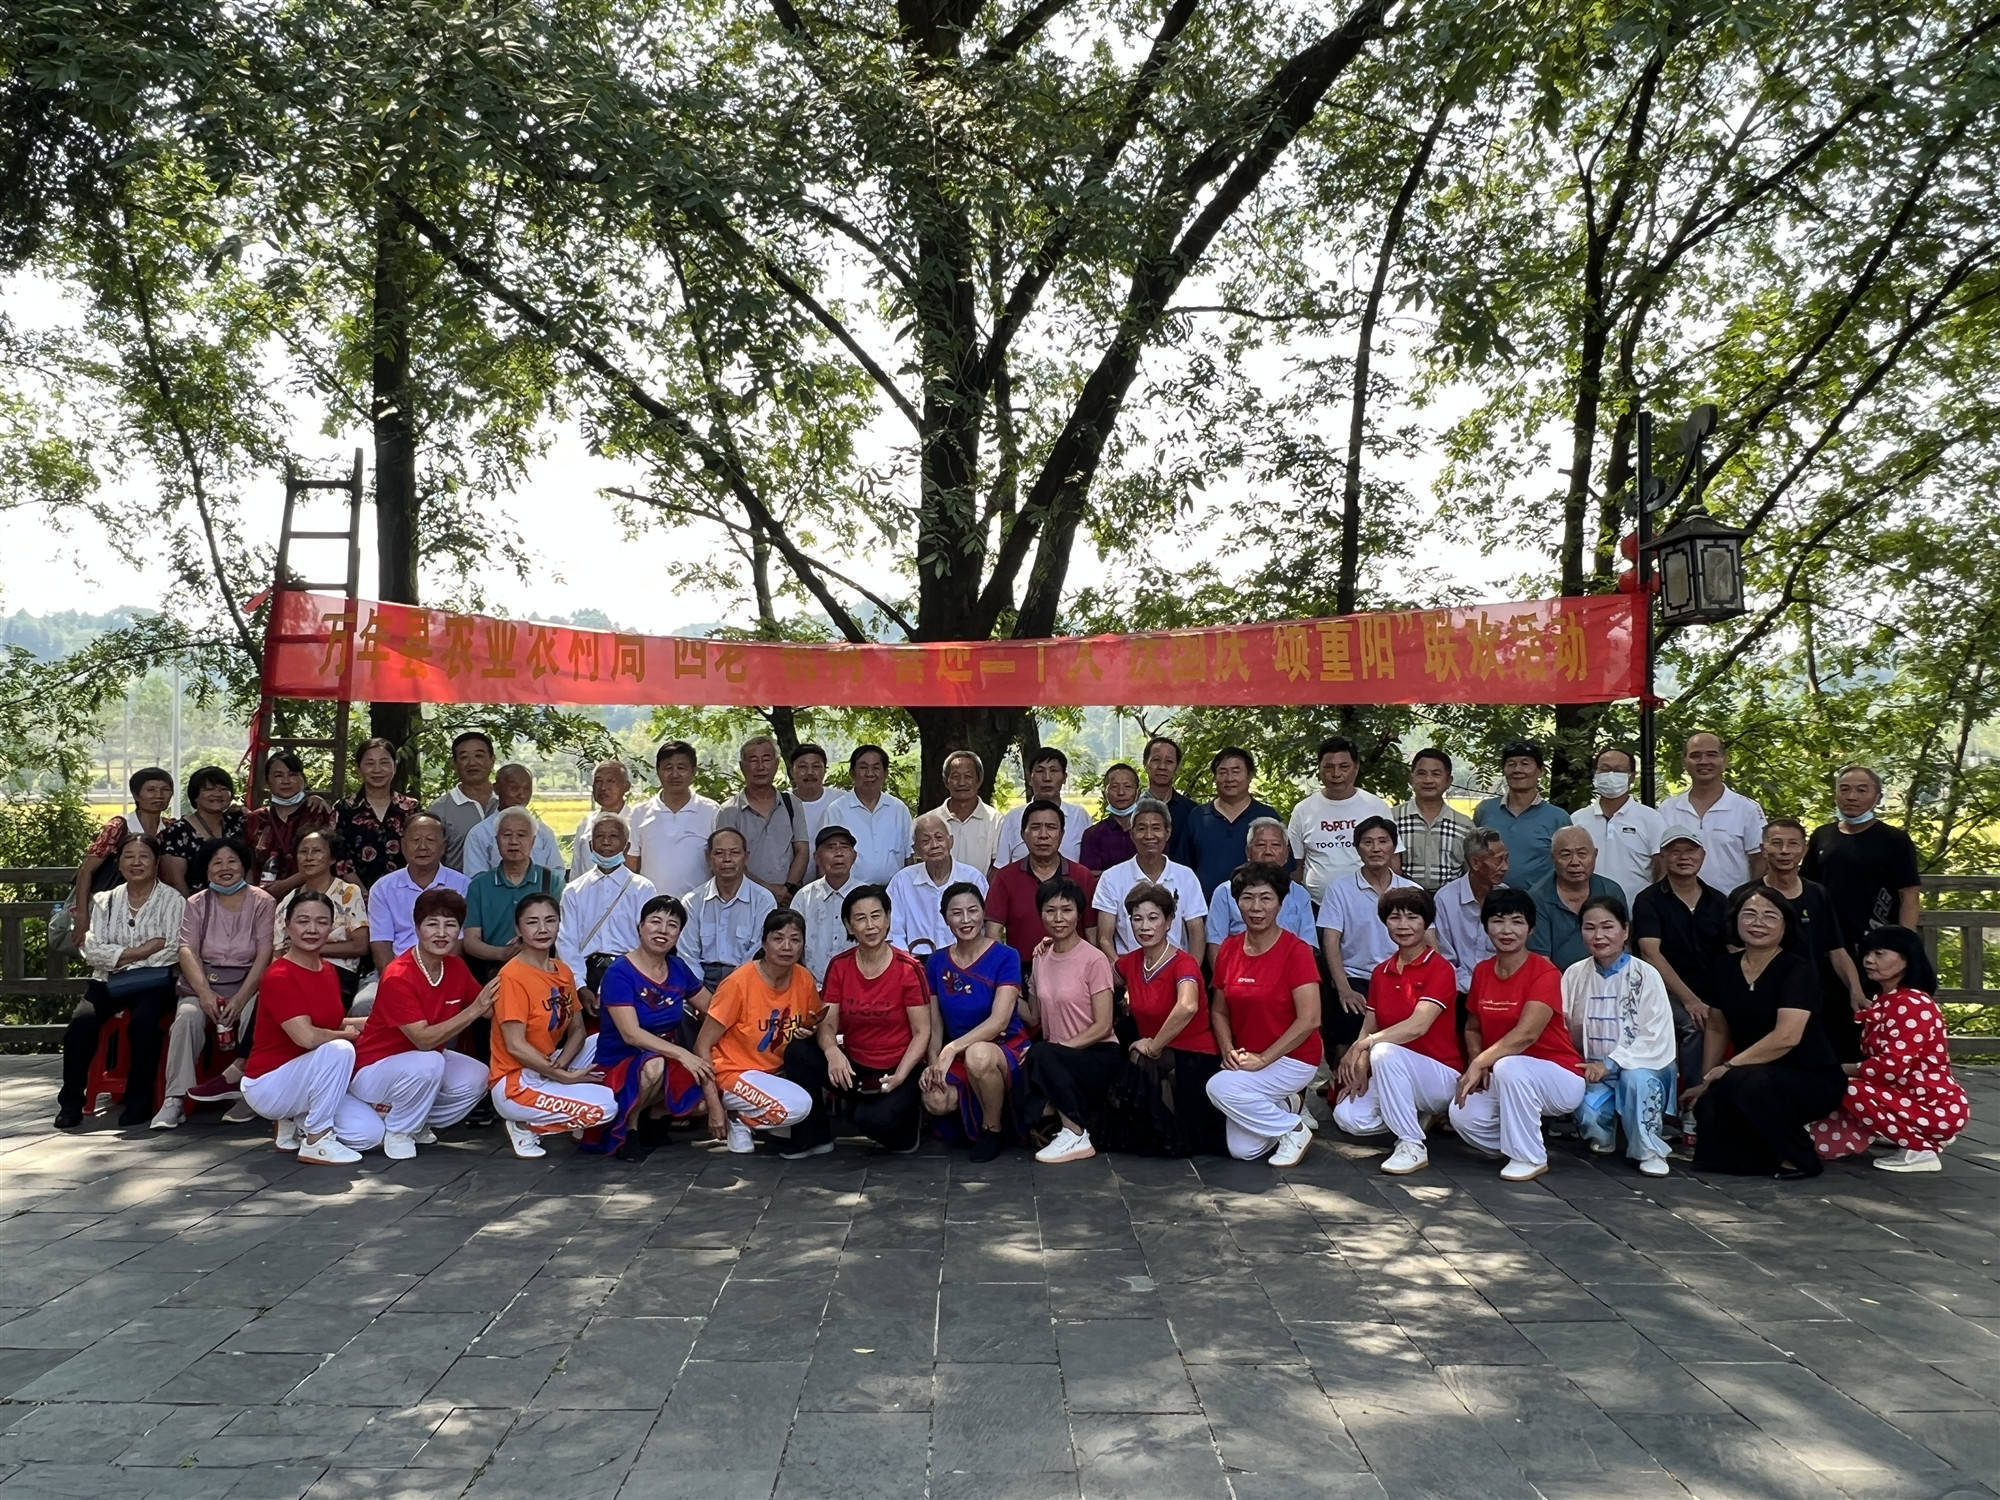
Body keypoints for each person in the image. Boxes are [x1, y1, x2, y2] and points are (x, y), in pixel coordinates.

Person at [1684, 886, 1847, 1179]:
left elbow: (1787, 1037)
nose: (1758, 923)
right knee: (1709, 1107)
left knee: (1746, 1082)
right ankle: (1765, 1157)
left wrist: (1728, 1067)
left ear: (1786, 925)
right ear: (1735, 920)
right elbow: (1718, 1026)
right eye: (1749, 914)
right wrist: (1707, 1079)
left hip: (1810, 1075)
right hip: (1749, 1071)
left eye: (1770, 916)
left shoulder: (1798, 969)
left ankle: (1801, 1158)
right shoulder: (1723, 967)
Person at [342, 888, 495, 1159]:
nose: (441, 933)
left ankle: (416, 1119)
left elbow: (490, 1010)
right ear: (417, 928)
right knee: (430, 1062)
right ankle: (399, 1131)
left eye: (450, 925)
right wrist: (473, 1011)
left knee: (479, 1076)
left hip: (421, 1063)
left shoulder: (456, 966)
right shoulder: (398, 974)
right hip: (374, 1067)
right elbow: (423, 1040)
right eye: (432, 924)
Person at [1448, 887, 1586, 1182]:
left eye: (1517, 921)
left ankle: (1529, 1156)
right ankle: (1520, 1141)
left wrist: (1480, 1062)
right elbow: (1472, 1027)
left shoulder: (1545, 972)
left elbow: (1526, 1035)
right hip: (1504, 1074)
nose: (1507, 930)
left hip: (1559, 1075)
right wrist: (1476, 1057)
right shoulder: (1482, 971)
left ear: (1531, 929)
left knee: (1509, 1065)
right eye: (1498, 921)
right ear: (1486, 926)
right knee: (1462, 1113)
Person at [1808, 925, 1969, 1172]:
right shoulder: (1887, 1000)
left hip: (1931, 1104)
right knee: (1819, 1143)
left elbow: (1889, 1068)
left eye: (1879, 953)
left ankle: (1921, 1147)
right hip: (1903, 1097)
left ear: (1906, 959)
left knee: (1847, 1086)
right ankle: (1905, 1134)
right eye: (1867, 953)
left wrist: (1838, 1070)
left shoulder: (1912, 1003)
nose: (1869, 960)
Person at [785, 885, 932, 1156]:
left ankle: (905, 1126)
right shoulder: (840, 965)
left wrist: (901, 1075)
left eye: (876, 916)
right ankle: (813, 1137)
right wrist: (832, 1051)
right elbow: (828, 1023)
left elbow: (922, 1032)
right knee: (799, 1051)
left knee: (871, 1120)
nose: (870, 925)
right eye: (860, 918)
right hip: (854, 1066)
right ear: (848, 925)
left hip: (898, 1068)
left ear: (888, 918)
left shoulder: (909, 968)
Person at [1329, 887, 1461, 1175]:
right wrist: (1360, 1064)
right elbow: (1369, 1025)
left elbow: (1418, 1025)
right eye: (1394, 917)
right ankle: (1413, 1116)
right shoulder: (1381, 971)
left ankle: (1411, 1143)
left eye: (1412, 917)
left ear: (1426, 923)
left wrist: (1365, 1046)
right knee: (1348, 1116)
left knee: (1385, 1051)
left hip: (1439, 1074)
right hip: (1391, 1069)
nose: (1403, 925)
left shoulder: (1440, 968)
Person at [57, 833, 186, 1129]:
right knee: (81, 1023)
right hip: (107, 980)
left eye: (144, 857)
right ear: (119, 862)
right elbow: (92, 949)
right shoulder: (104, 900)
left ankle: (138, 1101)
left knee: (144, 1023)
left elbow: (172, 948)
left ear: (156, 863)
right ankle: (71, 1103)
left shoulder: (172, 900)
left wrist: (120, 956)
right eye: (129, 856)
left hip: (154, 982)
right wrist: (139, 952)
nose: (136, 863)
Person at [153, 839, 277, 1130]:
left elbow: (265, 953)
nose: (225, 868)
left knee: (256, 1018)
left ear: (244, 866)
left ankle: (249, 1094)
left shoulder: (263, 901)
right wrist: (205, 994)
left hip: (249, 983)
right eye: (217, 863)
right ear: (207, 869)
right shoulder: (196, 903)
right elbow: (186, 950)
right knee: (186, 1017)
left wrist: (241, 998)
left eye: (232, 861)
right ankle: (175, 1099)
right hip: (204, 983)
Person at [581, 894, 716, 1160]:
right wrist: (684, 1054)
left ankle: (653, 1116)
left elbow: (712, 1007)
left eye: (672, 925)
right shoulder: (619, 972)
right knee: (654, 1065)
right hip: (621, 1059)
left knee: (702, 1100)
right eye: (655, 921)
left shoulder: (677, 967)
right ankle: (627, 1130)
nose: (663, 930)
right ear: (640, 926)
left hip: (664, 1056)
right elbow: (631, 1034)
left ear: (679, 934)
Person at [1206, 862, 1322, 1167]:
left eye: (1266, 898)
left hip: (1293, 1058)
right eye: (1247, 898)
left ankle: (1294, 1130)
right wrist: (1228, 1049)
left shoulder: (1296, 951)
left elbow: (1310, 1019)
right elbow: (1219, 1010)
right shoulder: (1229, 949)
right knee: (1243, 1150)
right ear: (1237, 902)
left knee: (1218, 1087)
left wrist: (1264, 1059)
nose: (1256, 907)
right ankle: (1286, 1105)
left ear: (1280, 903)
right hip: (1248, 1057)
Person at [239, 892, 368, 1165]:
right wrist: (347, 1036)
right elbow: (307, 1037)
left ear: (331, 927)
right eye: (303, 921)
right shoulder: (279, 975)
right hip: (269, 1082)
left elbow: (329, 1024)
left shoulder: (328, 970)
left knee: (368, 1135)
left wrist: (370, 1023)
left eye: (322, 922)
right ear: (287, 925)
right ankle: (316, 1140)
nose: (312, 929)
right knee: (341, 1049)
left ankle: (295, 1120)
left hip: (304, 1076)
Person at [488, 891, 616, 1157]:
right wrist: (563, 1076)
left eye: (550, 920)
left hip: (548, 1063)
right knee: (605, 1108)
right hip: (516, 1080)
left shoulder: (563, 970)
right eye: (532, 922)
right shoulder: (512, 976)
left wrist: (559, 1066)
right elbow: (515, 1045)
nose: (542, 929)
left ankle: (560, 1099)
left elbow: (578, 1030)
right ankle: (524, 1124)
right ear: (518, 929)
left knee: (604, 1041)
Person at [1562, 896, 1676, 1177]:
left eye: (1607, 927)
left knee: (1636, 1079)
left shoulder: (1646, 975)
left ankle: (1649, 1149)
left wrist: (1611, 1063)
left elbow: (1654, 1035)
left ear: (1625, 930)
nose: (1598, 936)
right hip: (1593, 1068)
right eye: (1589, 928)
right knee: (1587, 1111)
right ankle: (1606, 1132)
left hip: (1642, 1064)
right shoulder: (1575, 973)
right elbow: (1563, 1025)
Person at [1115, 882, 1226, 1156]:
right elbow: (1095, 975)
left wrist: (1153, 1046)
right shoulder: (1130, 962)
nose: (1144, 926)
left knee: (1142, 1058)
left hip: (1194, 1054)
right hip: (1159, 1052)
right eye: (1137, 919)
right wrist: (1057, 945)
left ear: (1168, 922)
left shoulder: (1183, 963)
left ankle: (1169, 1135)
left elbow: (1187, 1006)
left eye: (1153, 918)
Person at [696, 909, 819, 1153]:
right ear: (764, 942)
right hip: (734, 1073)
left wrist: (809, 1031)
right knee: (798, 1106)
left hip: (777, 1073)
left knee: (804, 1115)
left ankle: (746, 1117)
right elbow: (701, 1045)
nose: (787, 947)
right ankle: (737, 1116)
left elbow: (812, 1021)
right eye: (778, 938)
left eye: (795, 939)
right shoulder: (738, 983)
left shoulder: (804, 978)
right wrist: (713, 1104)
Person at [921, 883, 1028, 1162]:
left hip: (1002, 1046)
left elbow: (999, 1021)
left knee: (978, 1056)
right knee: (935, 1098)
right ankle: (979, 1112)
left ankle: (992, 1129)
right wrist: (933, 1062)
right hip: (958, 1051)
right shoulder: (936, 961)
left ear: (984, 913)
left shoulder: (1006, 956)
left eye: (973, 911)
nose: (966, 920)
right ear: (945, 917)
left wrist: (951, 1049)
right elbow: (935, 1024)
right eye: (957, 913)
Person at [1019, 877, 1120, 1165]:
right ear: (1040, 914)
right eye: (1050, 911)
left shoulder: (1094, 959)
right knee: (1023, 1089)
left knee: (1040, 1054)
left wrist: (1058, 1049)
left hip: (1096, 1052)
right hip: (1057, 1056)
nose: (1058, 918)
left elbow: (1103, 1025)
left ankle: (1074, 1133)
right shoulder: (1040, 957)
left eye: (1066, 910)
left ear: (1079, 913)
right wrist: (1003, 989)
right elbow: (1034, 1015)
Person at [1758, 816, 1868, 1061]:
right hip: (1764, 999)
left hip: (1814, 995)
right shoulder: (1748, 896)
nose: (1784, 851)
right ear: (1763, 849)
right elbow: (1734, 952)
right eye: (1776, 843)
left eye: (1792, 844)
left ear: (1804, 850)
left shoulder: (1817, 894)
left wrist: (1856, 990)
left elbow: (1837, 950)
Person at [1316, 816, 1422, 1062]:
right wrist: (1344, 989)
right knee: (1346, 1031)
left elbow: (1428, 940)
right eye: (1368, 842)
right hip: (1356, 978)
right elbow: (1331, 940)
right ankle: (1341, 1078)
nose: (1376, 848)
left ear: (1394, 847)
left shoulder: (1411, 890)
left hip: (1403, 977)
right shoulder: (1340, 889)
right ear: (1357, 848)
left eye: (1383, 841)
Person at [1631, 827, 1728, 1092]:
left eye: (1690, 850)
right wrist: (1690, 1000)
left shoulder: (1719, 901)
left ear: (1703, 855)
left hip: (1711, 988)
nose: (1684, 857)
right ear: (1663, 857)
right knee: (1695, 1024)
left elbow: (1730, 951)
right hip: (1664, 991)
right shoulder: (1648, 900)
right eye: (1675, 851)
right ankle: (1691, 1098)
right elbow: (1650, 953)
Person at [1805, 764, 1923, 949]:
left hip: (1877, 936)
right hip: (1827, 937)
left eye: (1862, 790)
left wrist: (1904, 944)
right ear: (1835, 794)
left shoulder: (1894, 839)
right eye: (1844, 789)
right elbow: (1806, 886)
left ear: (1878, 798)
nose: (1852, 796)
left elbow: (1909, 895)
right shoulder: (1822, 835)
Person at [558, 812, 659, 1007]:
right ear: (590, 845)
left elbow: (648, 940)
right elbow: (567, 941)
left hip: (630, 975)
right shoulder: (574, 891)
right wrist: (579, 986)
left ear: (626, 846)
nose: (606, 842)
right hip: (586, 974)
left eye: (613, 836)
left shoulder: (642, 888)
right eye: (599, 836)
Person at [986, 799, 1098, 971]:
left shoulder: (1082, 876)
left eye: (1051, 827)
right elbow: (993, 934)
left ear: (1062, 834)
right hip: (1021, 970)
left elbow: (1092, 932)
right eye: (1035, 827)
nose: (1043, 835)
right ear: (1023, 834)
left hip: (1074, 970)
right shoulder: (1005, 877)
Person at [71, 767, 175, 948]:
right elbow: (86, 870)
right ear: (136, 795)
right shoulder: (118, 827)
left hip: (150, 908)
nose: (159, 795)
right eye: (151, 790)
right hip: (111, 907)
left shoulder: (170, 828)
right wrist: (82, 915)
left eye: (165, 790)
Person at [1092, 799, 1205, 961]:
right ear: (1132, 834)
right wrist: (1122, 971)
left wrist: (1190, 971)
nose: (1149, 835)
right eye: (1141, 828)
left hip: (1176, 968)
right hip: (1127, 968)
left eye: (1156, 828)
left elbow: (1196, 932)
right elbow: (1104, 938)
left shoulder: (1186, 876)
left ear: (1168, 832)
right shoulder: (1111, 878)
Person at [462, 807, 566, 982]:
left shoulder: (551, 881)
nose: (514, 841)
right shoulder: (479, 886)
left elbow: (563, 934)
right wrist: (502, 953)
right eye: (507, 835)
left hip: (542, 973)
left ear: (533, 841)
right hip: (494, 975)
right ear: (497, 840)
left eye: (521, 835)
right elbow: (470, 942)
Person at [1287, 735, 1393, 904]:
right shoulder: (1303, 810)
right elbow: (1295, 865)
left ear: (1356, 768)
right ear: (1319, 769)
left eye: (1344, 767)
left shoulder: (1376, 806)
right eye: (1329, 767)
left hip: (1369, 904)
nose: (1336, 774)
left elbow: (1392, 859)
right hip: (1316, 905)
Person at [271, 830, 370, 1004]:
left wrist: (312, 948)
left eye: (316, 851)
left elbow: (360, 946)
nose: (309, 857)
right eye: (303, 852)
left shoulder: (348, 893)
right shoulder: (288, 901)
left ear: (332, 859)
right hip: (293, 971)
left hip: (338, 974)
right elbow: (278, 951)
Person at [1658, 733, 1764, 893]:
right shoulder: (1667, 809)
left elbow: (1760, 860)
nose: (1704, 761)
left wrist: (1748, 898)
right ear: (1685, 761)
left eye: (1711, 754)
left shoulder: (1747, 809)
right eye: (1695, 755)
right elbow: (1660, 861)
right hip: (1676, 902)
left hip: (1731, 903)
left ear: (1725, 760)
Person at [1205, 817, 1319, 964]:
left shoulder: (1300, 894)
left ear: (1286, 853)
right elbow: (1216, 945)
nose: (1268, 852)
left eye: (1275, 845)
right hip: (1239, 969)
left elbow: (1307, 946)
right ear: (1248, 852)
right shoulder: (1225, 892)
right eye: (1260, 845)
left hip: (1288, 969)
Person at [715, 734, 810, 905]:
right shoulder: (729, 810)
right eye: (753, 760)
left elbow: (802, 850)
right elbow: (727, 860)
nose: (760, 767)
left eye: (766, 759)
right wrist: (767, 890)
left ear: (776, 763)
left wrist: (787, 888)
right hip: (744, 899)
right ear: (742, 766)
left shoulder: (791, 803)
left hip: (787, 899)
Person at [366, 815, 471, 969]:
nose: (422, 847)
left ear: (443, 846)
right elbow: (381, 943)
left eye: (430, 840)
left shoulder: (463, 885)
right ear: (403, 846)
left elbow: (459, 941)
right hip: (397, 971)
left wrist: (438, 976)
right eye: (415, 840)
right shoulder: (383, 888)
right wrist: (393, 978)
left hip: (446, 970)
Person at [679, 825, 776, 991]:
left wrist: (732, 992)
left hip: (748, 982)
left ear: (746, 857)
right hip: (701, 982)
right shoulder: (693, 901)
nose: (727, 859)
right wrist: (699, 994)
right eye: (719, 853)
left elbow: (759, 953)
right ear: (708, 858)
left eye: (735, 852)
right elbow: (687, 956)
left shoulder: (763, 900)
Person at [1569, 748, 1663, 908]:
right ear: (1595, 774)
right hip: (1586, 912)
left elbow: (1662, 866)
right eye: (1604, 770)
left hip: (1638, 911)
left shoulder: (1650, 818)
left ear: (1632, 776)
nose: (1611, 775)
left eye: (1619, 770)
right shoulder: (1577, 819)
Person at [1182, 747, 1282, 898]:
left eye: (1236, 771)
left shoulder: (1267, 817)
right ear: (1215, 777)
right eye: (1222, 772)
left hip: (1256, 906)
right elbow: (1184, 866)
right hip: (1204, 906)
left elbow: (1283, 867)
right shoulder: (1198, 816)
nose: (1229, 779)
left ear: (1249, 776)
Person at [1473, 740, 1571, 893]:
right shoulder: (1485, 810)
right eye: (1511, 764)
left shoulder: (1558, 818)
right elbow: (1473, 854)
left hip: (1537, 902)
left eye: (1525, 764)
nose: (1517, 769)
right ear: (1504, 770)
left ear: (1541, 771)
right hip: (1487, 899)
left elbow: (1566, 864)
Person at [628, 740, 720, 898]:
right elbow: (631, 865)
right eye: (668, 768)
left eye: (681, 768)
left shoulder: (711, 811)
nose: (675, 774)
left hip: (699, 906)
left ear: (693, 771)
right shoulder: (639, 813)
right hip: (651, 906)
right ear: (658, 771)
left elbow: (720, 862)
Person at [887, 813, 987, 954]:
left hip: (965, 958)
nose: (934, 845)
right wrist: (908, 962)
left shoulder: (972, 878)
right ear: (915, 849)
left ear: (951, 841)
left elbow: (986, 925)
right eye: (925, 841)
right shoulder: (902, 881)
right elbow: (893, 931)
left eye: (939, 838)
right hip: (916, 960)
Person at [1526, 826, 1624, 971]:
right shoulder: (1537, 897)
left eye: (1582, 854)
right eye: (1566, 855)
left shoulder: (1611, 891)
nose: (1575, 862)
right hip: (1555, 979)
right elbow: (1541, 959)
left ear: (1595, 855)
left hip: (1607, 976)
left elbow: (1620, 947)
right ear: (1553, 858)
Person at [820, 744, 915, 885]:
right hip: (851, 892)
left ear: (885, 773)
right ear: (852, 773)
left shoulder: (898, 809)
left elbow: (908, 856)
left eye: (876, 768)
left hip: (893, 891)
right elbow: (826, 857)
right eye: (863, 768)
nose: (870, 774)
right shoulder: (837, 810)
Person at [333, 737, 420, 889]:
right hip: (354, 893)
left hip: (404, 891)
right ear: (358, 768)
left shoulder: (410, 808)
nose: (377, 770)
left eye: (384, 762)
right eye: (370, 763)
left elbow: (419, 852)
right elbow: (338, 856)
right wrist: (362, 894)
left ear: (395, 767)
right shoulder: (344, 808)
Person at [245, 751, 334, 897]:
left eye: (292, 774)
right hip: (263, 898)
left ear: (303, 779)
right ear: (267, 781)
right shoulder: (255, 819)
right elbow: (248, 865)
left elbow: (329, 857)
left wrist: (287, 884)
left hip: (312, 897)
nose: (286, 781)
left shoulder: (317, 813)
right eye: (278, 775)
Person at [1434, 828, 1509, 998]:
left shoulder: (1505, 896)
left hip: (1500, 989)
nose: (1505, 867)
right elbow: (1445, 960)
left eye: (1506, 859)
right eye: (1498, 860)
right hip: (1458, 991)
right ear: (1475, 863)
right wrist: (1473, 987)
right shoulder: (1446, 899)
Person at [993, 747, 1092, 867]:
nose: (1047, 778)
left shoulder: (1079, 816)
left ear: (1064, 778)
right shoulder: (1013, 818)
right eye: (1040, 771)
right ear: (1029, 778)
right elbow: (1001, 866)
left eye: (1053, 771)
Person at [462, 764, 562, 876]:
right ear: (496, 789)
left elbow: (557, 872)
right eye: (514, 788)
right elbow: (476, 877)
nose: (521, 795)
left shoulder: (543, 832)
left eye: (527, 789)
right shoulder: (479, 834)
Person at [1393, 748, 1471, 893]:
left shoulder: (1465, 826)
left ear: (1449, 781)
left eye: (1436, 774)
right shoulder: (1392, 819)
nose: (1428, 780)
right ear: (1411, 779)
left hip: (1450, 900)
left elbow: (1470, 873)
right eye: (1421, 773)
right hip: (1403, 899)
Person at [160, 766, 247, 894]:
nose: (217, 794)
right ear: (195, 796)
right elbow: (175, 881)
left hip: (239, 900)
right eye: (209, 789)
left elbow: (249, 866)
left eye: (223, 789)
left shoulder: (238, 823)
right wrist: (192, 906)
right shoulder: (178, 831)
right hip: (195, 902)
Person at [795, 825, 862, 983]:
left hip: (859, 986)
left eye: (844, 847)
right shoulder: (804, 897)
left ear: (854, 856)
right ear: (817, 858)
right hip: (811, 986)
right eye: (831, 847)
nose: (838, 853)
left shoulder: (866, 897)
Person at [426, 730, 499, 871]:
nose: (472, 763)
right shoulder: (439, 809)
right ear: (455, 764)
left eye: (479, 756)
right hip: (458, 884)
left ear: (492, 760)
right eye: (464, 757)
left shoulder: (506, 802)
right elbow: (431, 860)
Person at [928, 750, 1001, 877]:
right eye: (955, 776)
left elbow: (997, 866)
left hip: (979, 889)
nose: (961, 783)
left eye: (968, 776)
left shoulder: (995, 820)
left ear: (979, 780)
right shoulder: (929, 821)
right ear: (946, 781)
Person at [1141, 735, 1202, 868]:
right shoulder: (1133, 809)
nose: (1162, 766)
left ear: (1177, 767)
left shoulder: (1192, 811)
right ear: (1145, 763)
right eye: (1156, 760)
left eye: (1169, 761)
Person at [570, 759, 633, 880]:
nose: (603, 787)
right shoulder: (586, 823)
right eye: (598, 781)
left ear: (626, 786)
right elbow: (576, 870)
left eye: (611, 781)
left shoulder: (637, 823)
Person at [1079, 762, 1142, 872]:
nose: (1121, 792)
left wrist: (1107, 875)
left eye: (1127, 786)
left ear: (1138, 793)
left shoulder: (1148, 832)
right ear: (1104, 794)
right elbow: (1091, 877)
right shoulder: (1093, 835)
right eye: (1114, 787)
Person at [787, 742, 835, 844]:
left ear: (825, 770)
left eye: (816, 766)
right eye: (802, 766)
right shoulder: (782, 803)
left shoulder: (840, 800)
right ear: (792, 772)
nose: (810, 772)